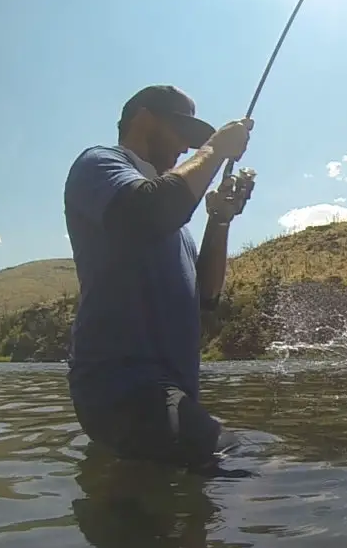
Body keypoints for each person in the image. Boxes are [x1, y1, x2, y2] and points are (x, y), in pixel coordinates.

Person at [64, 84, 254, 473]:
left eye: (194, 140)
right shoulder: (100, 164)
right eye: (180, 132)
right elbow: (150, 210)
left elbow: (205, 301)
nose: (185, 147)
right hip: (123, 388)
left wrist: (219, 220)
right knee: (243, 465)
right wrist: (216, 148)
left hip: (169, 394)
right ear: (144, 119)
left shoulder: (175, 223)